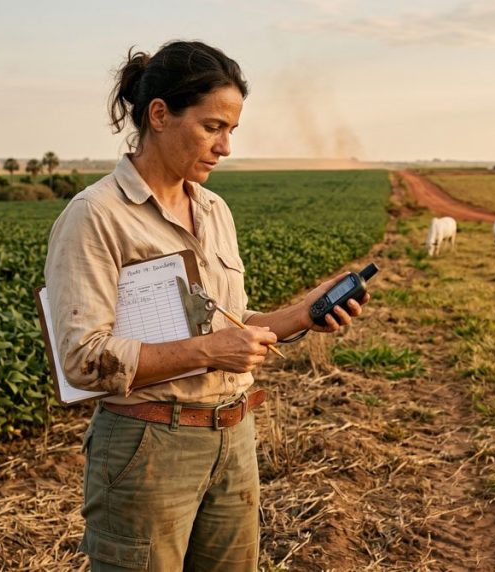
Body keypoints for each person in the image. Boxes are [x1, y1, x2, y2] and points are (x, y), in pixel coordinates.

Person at [44, 40, 369, 571]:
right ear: (160, 115)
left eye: (232, 131)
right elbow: (84, 360)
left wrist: (303, 313)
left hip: (234, 437)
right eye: (212, 126)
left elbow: (229, 327)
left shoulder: (215, 209)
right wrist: (208, 351)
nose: (225, 147)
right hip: (146, 448)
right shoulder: (95, 216)